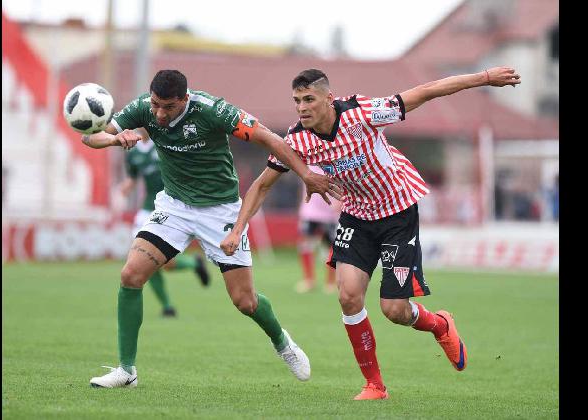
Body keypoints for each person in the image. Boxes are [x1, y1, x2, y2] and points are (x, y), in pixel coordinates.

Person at [221, 67, 521, 400]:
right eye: (296, 101)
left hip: (398, 211)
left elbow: (428, 89)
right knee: (348, 297)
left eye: (309, 99)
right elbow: (262, 186)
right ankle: (375, 385)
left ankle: (440, 325)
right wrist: (237, 229)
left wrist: (485, 78)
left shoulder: (362, 113)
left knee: (395, 311)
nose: (302, 107)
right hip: (356, 217)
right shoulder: (296, 141)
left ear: (328, 99)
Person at [80, 69, 341, 388]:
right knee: (130, 276)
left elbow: (270, 139)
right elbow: (91, 135)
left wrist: (305, 175)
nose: (160, 114)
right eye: (156, 105)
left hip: (220, 211)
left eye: (169, 107)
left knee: (245, 301)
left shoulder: (213, 111)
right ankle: (126, 370)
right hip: (174, 207)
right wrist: (114, 138)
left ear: (185, 100)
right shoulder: (142, 108)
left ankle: (282, 342)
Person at [119, 140, 211, 318]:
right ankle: (167, 306)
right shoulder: (134, 153)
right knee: (142, 260)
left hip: (170, 208)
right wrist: (125, 188)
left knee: (165, 264)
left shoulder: (166, 143)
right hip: (147, 210)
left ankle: (194, 263)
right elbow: (133, 178)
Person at [295, 165, 340, 294]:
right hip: (310, 210)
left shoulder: (336, 159)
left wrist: (341, 202)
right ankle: (309, 280)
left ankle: (330, 283)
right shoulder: (307, 160)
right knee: (305, 243)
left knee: (334, 246)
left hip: (331, 211)